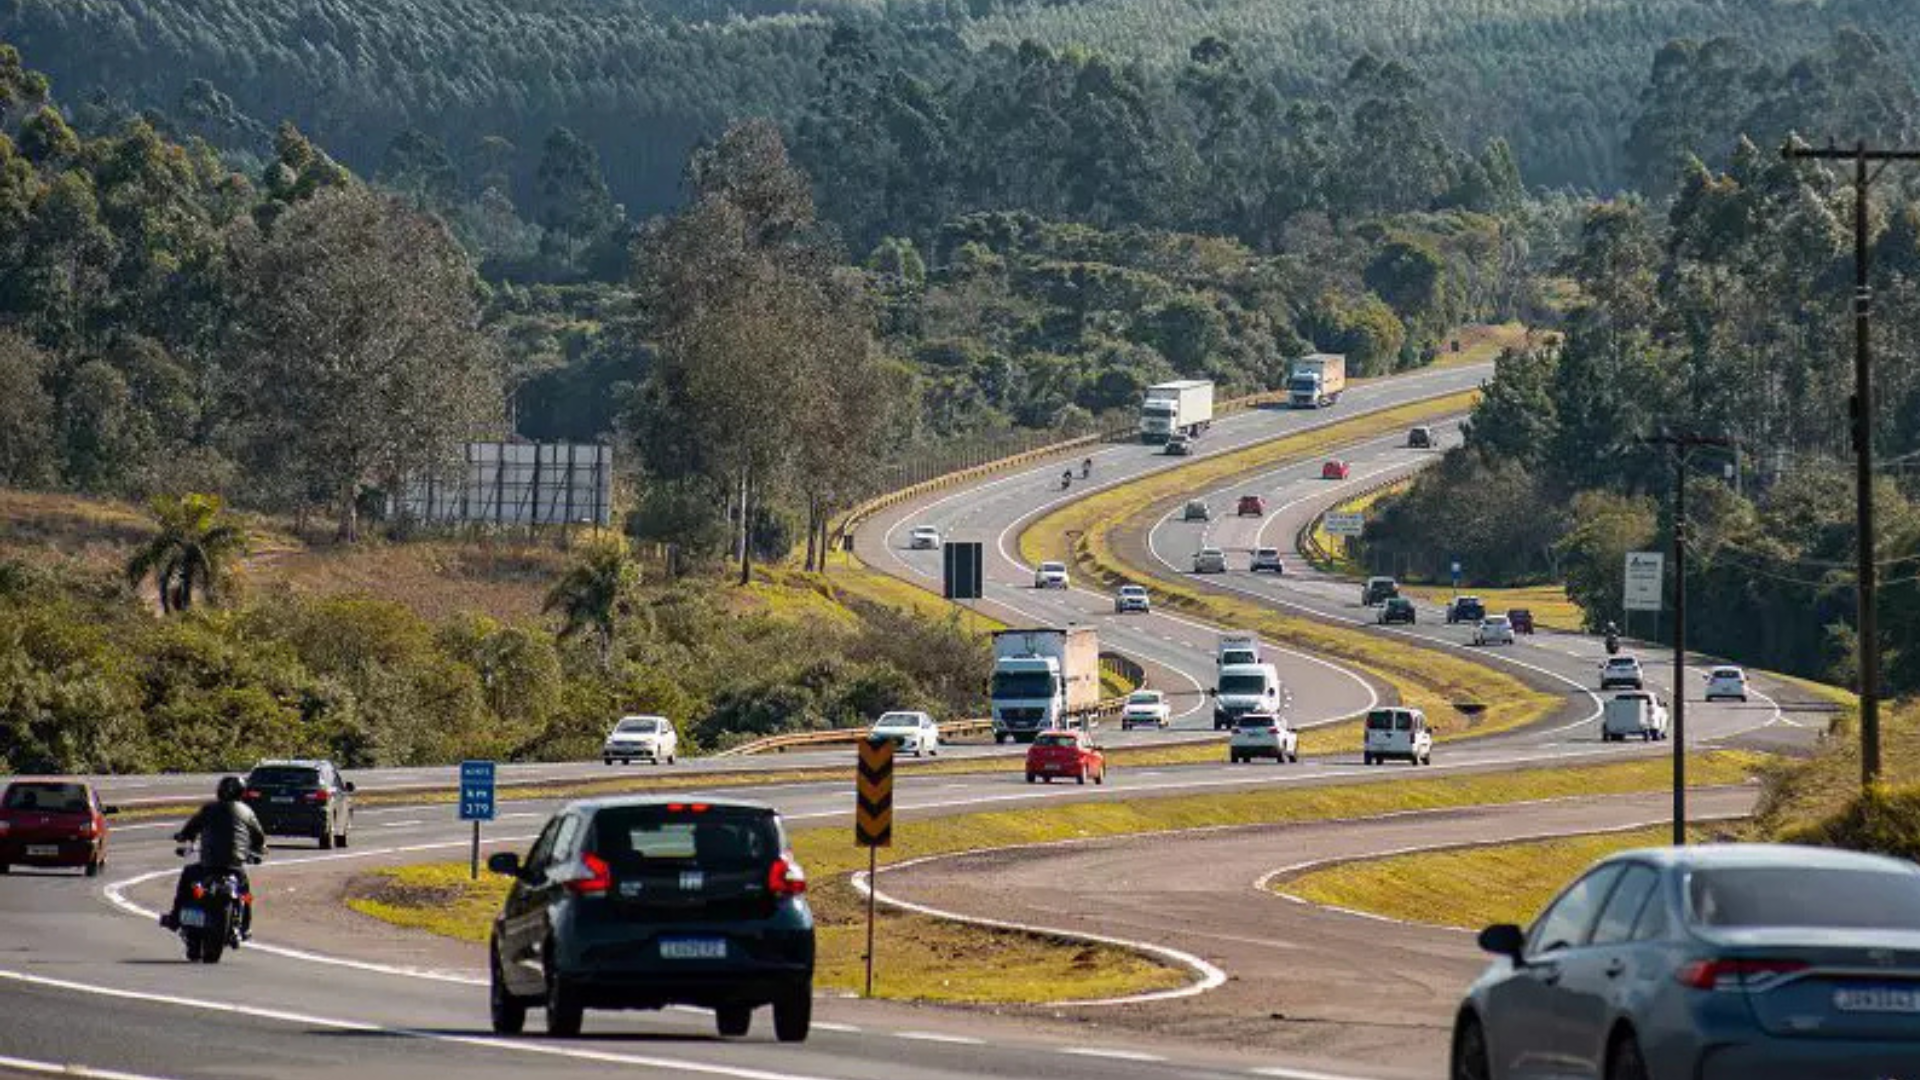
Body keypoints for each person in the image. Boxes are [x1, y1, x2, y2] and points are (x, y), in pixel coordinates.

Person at [161, 776, 266, 937]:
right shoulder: (246, 811)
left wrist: (183, 837)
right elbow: (259, 836)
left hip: (209, 864)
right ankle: (245, 926)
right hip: (234, 865)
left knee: (187, 877)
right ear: (241, 793)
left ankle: (175, 917)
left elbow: (191, 828)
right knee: (245, 892)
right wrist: (258, 850)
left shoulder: (209, 809)